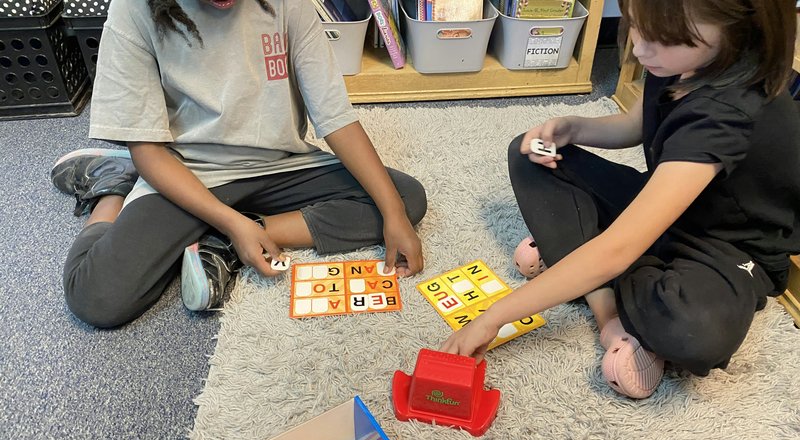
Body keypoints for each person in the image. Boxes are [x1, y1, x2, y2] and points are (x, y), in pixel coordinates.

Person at [441, 0, 799, 399]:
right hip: (659, 200)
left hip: (727, 247)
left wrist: (493, 318)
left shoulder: (728, 112)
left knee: (691, 332)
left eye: (662, 38)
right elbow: (639, 125)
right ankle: (599, 296)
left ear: (737, 30)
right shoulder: (684, 62)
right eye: (634, 26)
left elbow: (618, 250)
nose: (640, 49)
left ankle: (577, 256)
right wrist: (575, 127)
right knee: (528, 157)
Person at [50, 0, 427, 328]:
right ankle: (112, 186)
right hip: (187, 172)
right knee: (95, 297)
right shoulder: (133, 10)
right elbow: (147, 148)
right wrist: (231, 221)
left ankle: (228, 243)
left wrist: (392, 211)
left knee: (405, 198)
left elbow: (335, 117)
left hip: (281, 165)